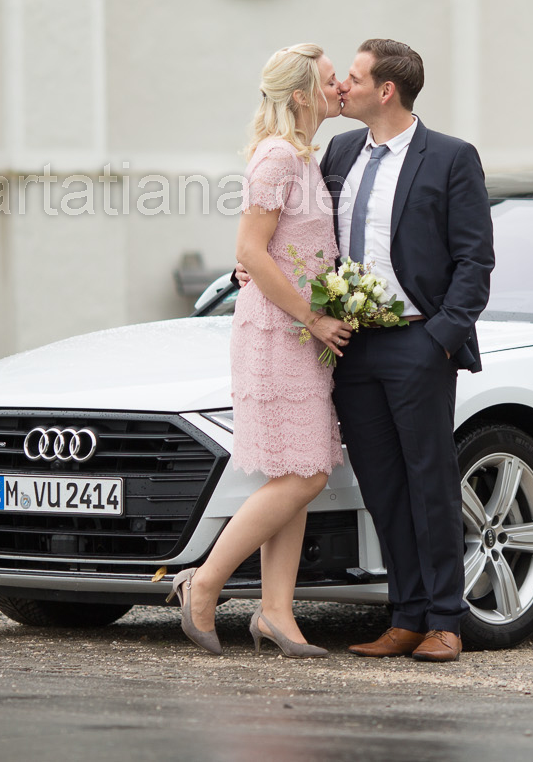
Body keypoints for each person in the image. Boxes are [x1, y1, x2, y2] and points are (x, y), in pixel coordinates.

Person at [168, 43, 354, 658]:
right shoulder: (277, 157)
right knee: (306, 474)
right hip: (280, 335)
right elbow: (249, 250)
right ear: (301, 95)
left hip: (298, 335)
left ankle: (277, 613)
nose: (340, 88)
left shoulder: (303, 157)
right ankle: (203, 583)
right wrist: (314, 317)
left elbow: (275, 251)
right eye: (331, 80)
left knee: (293, 471)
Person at [323, 38, 495, 663]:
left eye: (354, 77)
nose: (343, 86)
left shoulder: (450, 157)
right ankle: (405, 615)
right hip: (352, 345)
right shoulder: (339, 151)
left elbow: (475, 259)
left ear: (386, 90)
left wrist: (440, 339)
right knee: (383, 486)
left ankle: (447, 620)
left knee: (430, 482)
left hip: (418, 342)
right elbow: (310, 233)